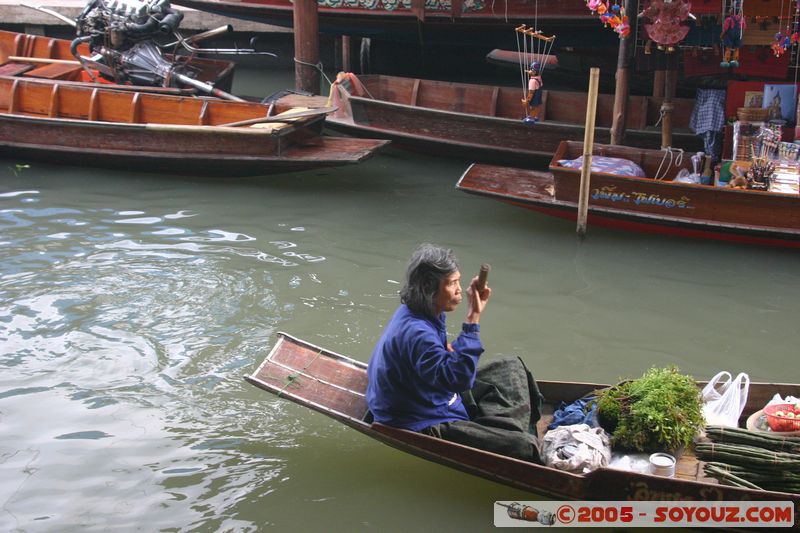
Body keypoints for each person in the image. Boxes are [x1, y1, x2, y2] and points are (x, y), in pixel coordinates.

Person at [366, 243, 542, 463]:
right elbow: (458, 380)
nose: (459, 289)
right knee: (523, 446)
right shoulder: (418, 332)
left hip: (431, 393)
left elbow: (437, 359)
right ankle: (505, 432)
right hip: (419, 419)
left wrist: (453, 347)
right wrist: (473, 316)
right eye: (451, 283)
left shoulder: (422, 311)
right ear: (429, 290)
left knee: (512, 367)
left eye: (458, 281)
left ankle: (498, 429)